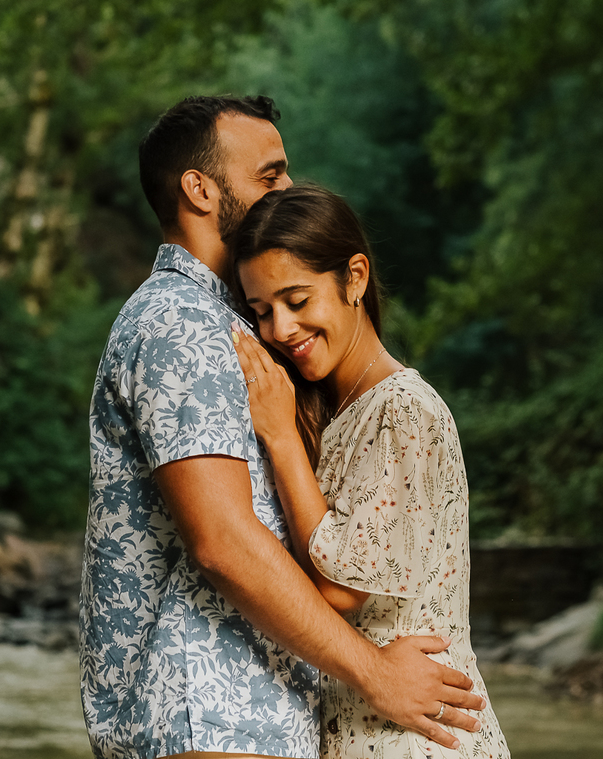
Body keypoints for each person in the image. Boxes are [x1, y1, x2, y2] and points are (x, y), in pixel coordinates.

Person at [80, 96, 486, 759]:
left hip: (254, 710)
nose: (288, 187)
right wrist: (375, 673)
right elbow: (223, 542)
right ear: (200, 190)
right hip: (208, 708)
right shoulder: (182, 325)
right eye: (269, 175)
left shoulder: (235, 325)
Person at [229, 184, 512, 759]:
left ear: (354, 278)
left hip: (417, 735)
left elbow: (340, 589)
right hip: (373, 724)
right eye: (261, 312)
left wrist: (280, 437)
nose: (280, 329)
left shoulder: (402, 409)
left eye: (297, 300)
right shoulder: (341, 409)